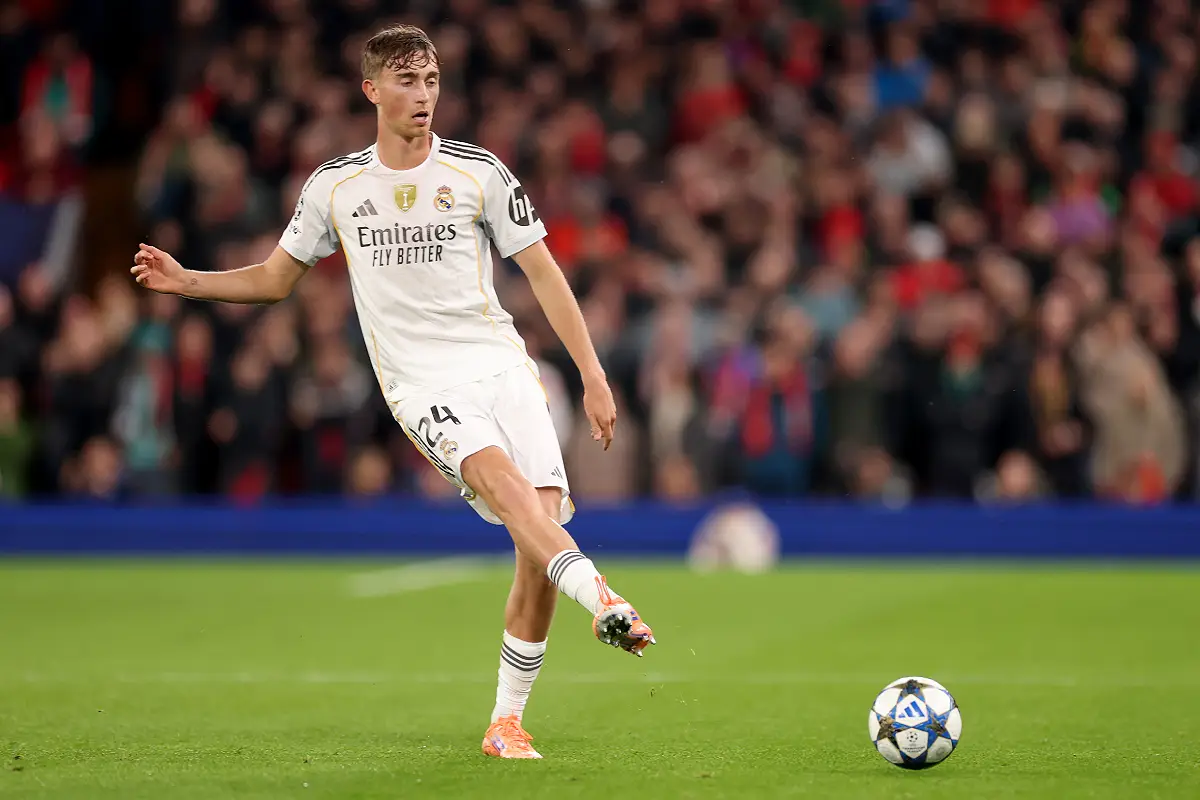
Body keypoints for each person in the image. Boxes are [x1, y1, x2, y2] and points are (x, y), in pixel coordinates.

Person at [131, 24, 654, 760]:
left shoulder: (480, 173)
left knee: (534, 545)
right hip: (420, 383)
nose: (424, 95)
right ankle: (600, 595)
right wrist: (189, 282)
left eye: (433, 80)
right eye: (407, 81)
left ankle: (506, 723)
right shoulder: (336, 188)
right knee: (505, 492)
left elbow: (543, 272)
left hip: (502, 365)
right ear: (371, 89)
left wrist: (593, 374)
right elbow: (277, 280)